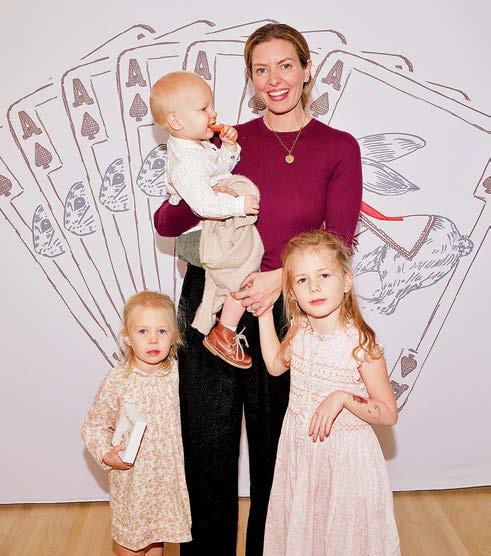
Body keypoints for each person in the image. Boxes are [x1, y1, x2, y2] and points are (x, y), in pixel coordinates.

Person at [154, 23, 363, 556]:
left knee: (278, 451)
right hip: (214, 304)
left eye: (285, 65)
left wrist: (280, 277)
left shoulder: (339, 147)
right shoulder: (225, 143)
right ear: (250, 79)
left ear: (307, 69)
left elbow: (338, 242)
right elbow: (167, 223)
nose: (275, 79)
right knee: (207, 446)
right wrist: (192, 194)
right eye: (261, 69)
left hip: (291, 309)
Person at [259, 230, 400, 556]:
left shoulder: (361, 344)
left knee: (341, 538)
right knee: (307, 533)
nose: (314, 287)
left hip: (346, 463)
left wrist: (343, 398)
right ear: (292, 292)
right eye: (302, 280)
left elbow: (388, 413)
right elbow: (276, 366)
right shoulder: (300, 330)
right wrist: (264, 315)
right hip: (301, 454)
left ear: (346, 281)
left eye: (324, 275)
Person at [150, 71, 263, 369]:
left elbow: (219, 172)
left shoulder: (196, 147)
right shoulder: (186, 160)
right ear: (176, 122)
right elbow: (202, 203)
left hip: (207, 232)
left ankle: (217, 325)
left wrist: (228, 149)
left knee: (237, 271)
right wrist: (239, 205)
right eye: (203, 109)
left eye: (211, 106)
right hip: (199, 238)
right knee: (245, 267)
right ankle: (224, 330)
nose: (213, 113)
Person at [81, 291, 191, 556]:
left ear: (173, 337)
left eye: (162, 331)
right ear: (128, 337)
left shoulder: (179, 376)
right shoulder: (118, 380)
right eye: (143, 331)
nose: (153, 339)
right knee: (130, 542)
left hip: (166, 481)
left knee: (156, 539)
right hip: (132, 482)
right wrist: (106, 454)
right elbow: (94, 426)